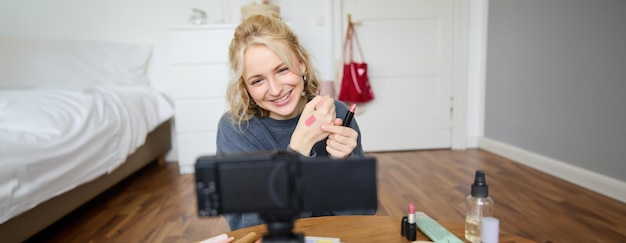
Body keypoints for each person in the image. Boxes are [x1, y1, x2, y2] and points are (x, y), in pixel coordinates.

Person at [216, 13, 375, 231]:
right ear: (245, 86)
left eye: (282, 70)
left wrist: (344, 165)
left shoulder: (336, 113)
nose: (275, 89)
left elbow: (362, 216)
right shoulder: (236, 130)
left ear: (301, 64)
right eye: (258, 80)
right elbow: (255, 228)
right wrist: (298, 150)